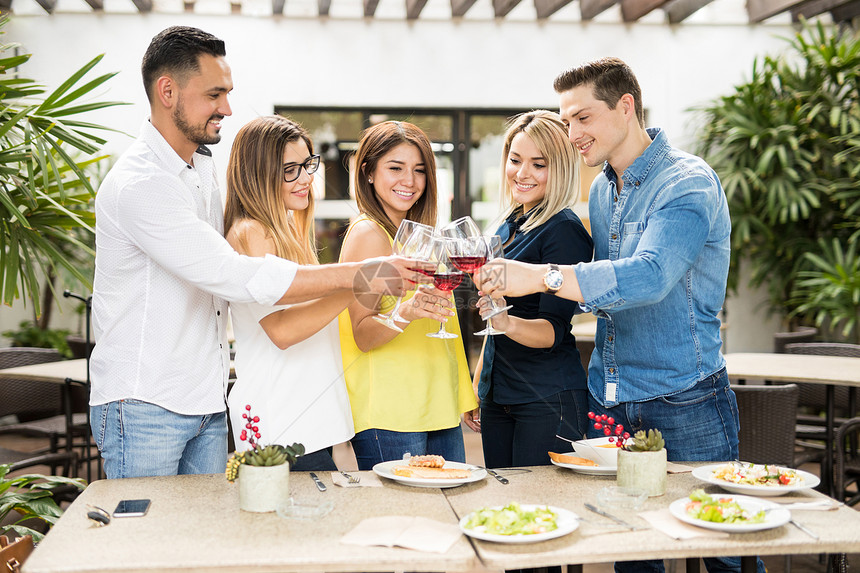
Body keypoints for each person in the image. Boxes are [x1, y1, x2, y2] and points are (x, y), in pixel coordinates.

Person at [90, 27, 428, 480]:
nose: (227, 108)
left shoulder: (199, 170)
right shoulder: (142, 184)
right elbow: (235, 275)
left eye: (228, 94)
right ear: (166, 91)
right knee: (145, 543)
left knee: (208, 542)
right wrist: (360, 277)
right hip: (147, 402)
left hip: (205, 400)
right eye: (215, 94)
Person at [474, 58, 755, 573]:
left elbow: (648, 276)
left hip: (685, 396)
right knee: (628, 546)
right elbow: (604, 290)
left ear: (625, 107)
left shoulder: (687, 182)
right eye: (568, 121)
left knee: (720, 547)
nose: (572, 134)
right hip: (611, 396)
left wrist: (542, 277)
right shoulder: (602, 190)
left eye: (583, 118)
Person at [338, 121, 478, 470]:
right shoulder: (369, 235)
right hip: (391, 415)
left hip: (436, 406)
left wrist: (463, 393)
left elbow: (445, 329)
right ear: (368, 173)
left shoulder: (418, 238)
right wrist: (407, 311)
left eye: (419, 170)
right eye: (395, 168)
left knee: (444, 518)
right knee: (403, 521)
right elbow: (363, 334)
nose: (410, 181)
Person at [223, 115, 356, 471]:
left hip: (305, 418)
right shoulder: (252, 231)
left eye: (307, 164)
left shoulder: (284, 230)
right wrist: (357, 284)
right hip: (282, 419)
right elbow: (281, 331)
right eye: (290, 169)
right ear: (258, 175)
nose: (306, 179)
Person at [464, 111, 593, 469]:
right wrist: (479, 384)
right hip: (500, 394)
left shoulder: (564, 230)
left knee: (539, 510)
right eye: (515, 159)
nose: (522, 173)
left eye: (539, 164)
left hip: (546, 397)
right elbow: (494, 318)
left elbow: (552, 332)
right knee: (504, 505)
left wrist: (506, 324)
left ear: (562, 168)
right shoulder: (509, 225)